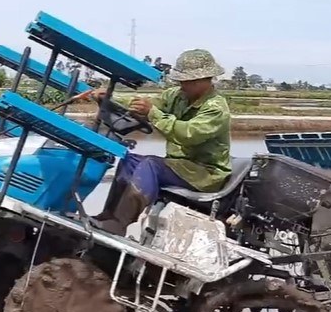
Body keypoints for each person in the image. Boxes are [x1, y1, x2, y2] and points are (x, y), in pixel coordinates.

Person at [91, 48, 232, 234]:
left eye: (186, 81)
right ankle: (108, 215)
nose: (181, 84)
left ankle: (120, 222)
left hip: (204, 174)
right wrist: (108, 97)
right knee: (129, 160)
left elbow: (188, 134)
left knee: (151, 165)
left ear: (203, 81)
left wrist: (153, 114)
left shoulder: (216, 108)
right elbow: (143, 105)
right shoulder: (176, 95)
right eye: (180, 80)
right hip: (179, 166)